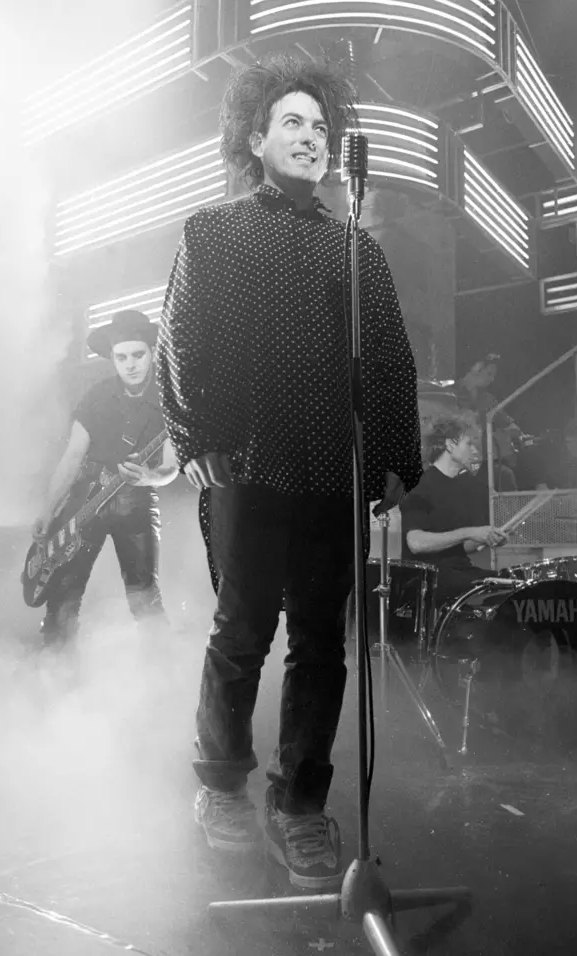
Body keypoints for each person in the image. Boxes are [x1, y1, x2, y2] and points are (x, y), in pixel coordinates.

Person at [156, 54, 422, 890]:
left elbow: (387, 361)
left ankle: (300, 805)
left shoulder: (357, 254)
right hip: (249, 462)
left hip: (332, 475)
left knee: (321, 647)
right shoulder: (213, 230)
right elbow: (182, 338)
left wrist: (389, 456)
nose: (310, 138)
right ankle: (223, 788)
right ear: (256, 137)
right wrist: (197, 433)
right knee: (242, 633)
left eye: (320, 126)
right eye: (293, 124)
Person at [34, 310, 179, 645]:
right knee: (64, 593)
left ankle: (164, 676)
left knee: (144, 596)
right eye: (121, 357)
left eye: (138, 355)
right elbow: (72, 457)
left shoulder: (170, 399)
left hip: (136, 501)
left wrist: (149, 478)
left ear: (152, 352)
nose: (130, 364)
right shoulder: (96, 396)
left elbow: (171, 467)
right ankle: (56, 674)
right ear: (112, 358)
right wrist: (47, 510)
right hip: (84, 499)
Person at [401, 414, 507, 607]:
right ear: (450, 445)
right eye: (469, 444)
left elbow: (459, 547)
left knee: (512, 586)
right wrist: (471, 532)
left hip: (460, 570)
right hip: (428, 577)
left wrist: (486, 538)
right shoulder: (420, 485)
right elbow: (415, 543)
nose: (475, 450)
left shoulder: (467, 486)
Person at [455, 354, 522, 490]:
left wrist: (511, 435)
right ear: (476, 368)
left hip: (482, 462)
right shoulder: (449, 394)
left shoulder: (487, 399)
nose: (492, 380)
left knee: (506, 475)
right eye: (489, 374)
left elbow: (511, 426)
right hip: (455, 460)